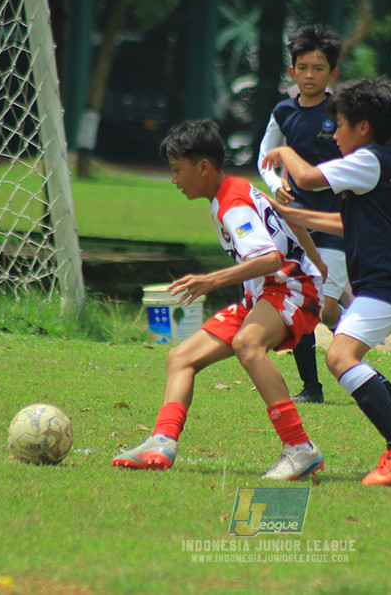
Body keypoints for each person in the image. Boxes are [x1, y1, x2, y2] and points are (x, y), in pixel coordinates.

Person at [112, 119, 326, 481]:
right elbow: (286, 219)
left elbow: (270, 259)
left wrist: (212, 280)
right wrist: (318, 261)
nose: (174, 180)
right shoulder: (233, 190)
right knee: (181, 357)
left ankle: (299, 448)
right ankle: (162, 441)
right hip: (263, 293)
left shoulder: (232, 204)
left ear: (204, 167)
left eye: (178, 171)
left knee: (247, 344)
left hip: (290, 288)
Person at [262, 77, 391, 486]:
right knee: (348, 354)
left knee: (339, 358)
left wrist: (285, 151)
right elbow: (349, 223)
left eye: (340, 125)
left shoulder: (367, 159)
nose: (335, 134)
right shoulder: (377, 161)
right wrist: (295, 217)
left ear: (363, 127)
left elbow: (306, 178)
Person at [257, 24, 347, 404]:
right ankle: (312, 388)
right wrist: (275, 182)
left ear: (333, 74)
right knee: (307, 305)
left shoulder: (341, 112)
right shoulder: (283, 111)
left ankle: (352, 320)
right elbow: (265, 156)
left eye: (319, 68)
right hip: (295, 222)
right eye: (303, 68)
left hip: (335, 223)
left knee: (325, 311)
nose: (310, 75)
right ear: (291, 72)